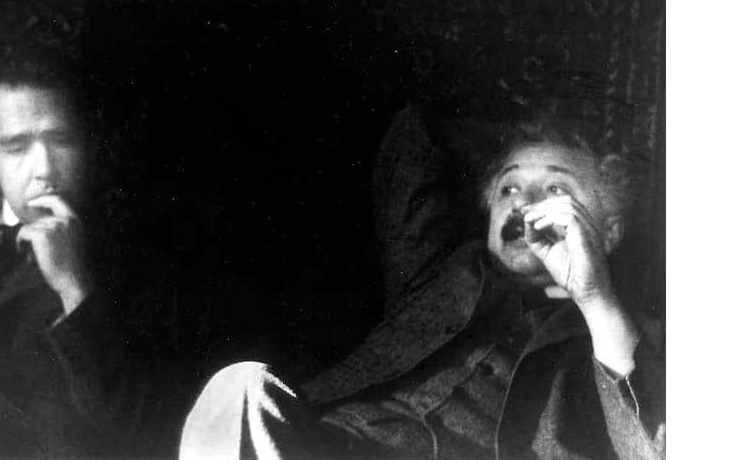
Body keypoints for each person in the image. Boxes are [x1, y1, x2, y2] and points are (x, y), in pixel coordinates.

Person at [179, 105, 665, 460]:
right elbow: (414, 136)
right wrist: (521, 134)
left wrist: (595, 298)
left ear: (610, 230)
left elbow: (659, 447)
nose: (522, 204)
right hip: (327, 445)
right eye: (509, 188)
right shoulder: (440, 272)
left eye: (555, 189)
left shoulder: (633, 335)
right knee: (242, 385)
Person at [0, 51, 194, 459]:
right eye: (17, 147)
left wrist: (74, 287)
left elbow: (146, 430)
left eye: (62, 141)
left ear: (89, 146)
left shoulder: (142, 252)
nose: (43, 168)